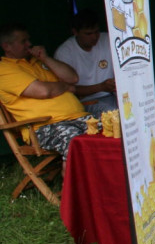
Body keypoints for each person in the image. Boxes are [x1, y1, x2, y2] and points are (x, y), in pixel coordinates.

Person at [0, 22, 90, 157]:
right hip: (44, 127)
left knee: (113, 133)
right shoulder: (4, 69)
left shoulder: (37, 61)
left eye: (28, 40)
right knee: (76, 143)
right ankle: (69, 176)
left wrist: (46, 58)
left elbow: (72, 78)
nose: (29, 44)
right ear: (7, 46)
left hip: (79, 118)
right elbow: (43, 91)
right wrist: (65, 87)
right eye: (23, 41)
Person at [54, 8, 118, 114]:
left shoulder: (107, 39)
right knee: (112, 114)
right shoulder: (65, 52)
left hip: (113, 96)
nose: (94, 37)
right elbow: (69, 89)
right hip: (85, 102)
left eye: (96, 32)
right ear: (75, 32)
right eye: (88, 34)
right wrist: (101, 87)